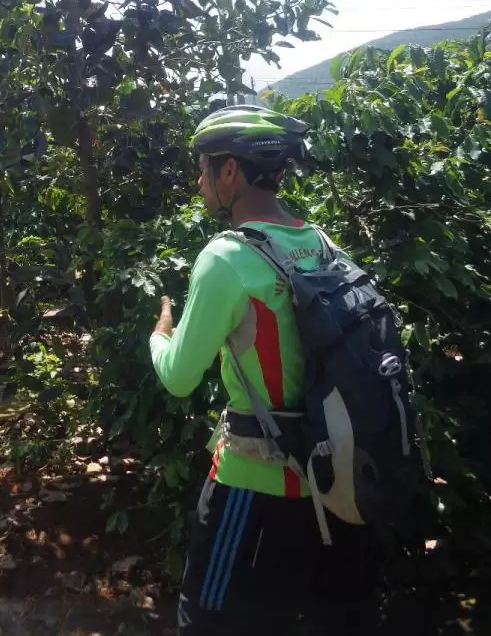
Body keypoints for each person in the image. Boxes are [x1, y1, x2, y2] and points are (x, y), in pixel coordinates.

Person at [149, 105, 376, 636]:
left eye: (203, 166)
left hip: (253, 486)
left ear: (230, 171)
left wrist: (159, 336)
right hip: (333, 481)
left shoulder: (226, 258)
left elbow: (180, 377)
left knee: (207, 622)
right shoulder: (321, 244)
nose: (198, 179)